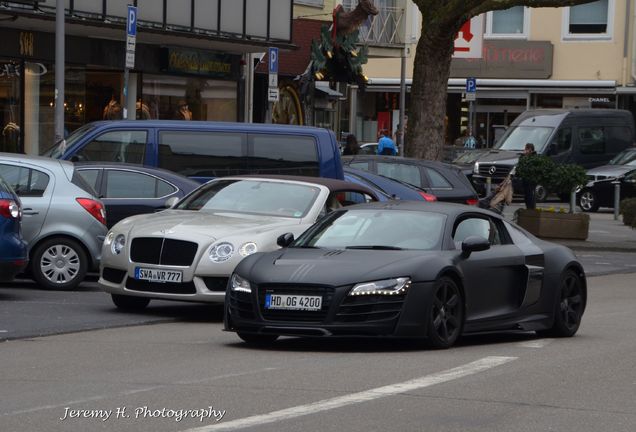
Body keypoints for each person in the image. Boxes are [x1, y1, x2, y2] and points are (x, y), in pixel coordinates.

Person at [521, 142, 537, 209]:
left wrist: (526, 156)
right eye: (525, 149)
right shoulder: (524, 156)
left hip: (531, 179)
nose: (526, 150)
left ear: (531, 150)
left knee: (530, 195)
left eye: (527, 149)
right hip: (525, 179)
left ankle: (531, 209)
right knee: (527, 195)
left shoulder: (534, 157)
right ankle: (529, 208)